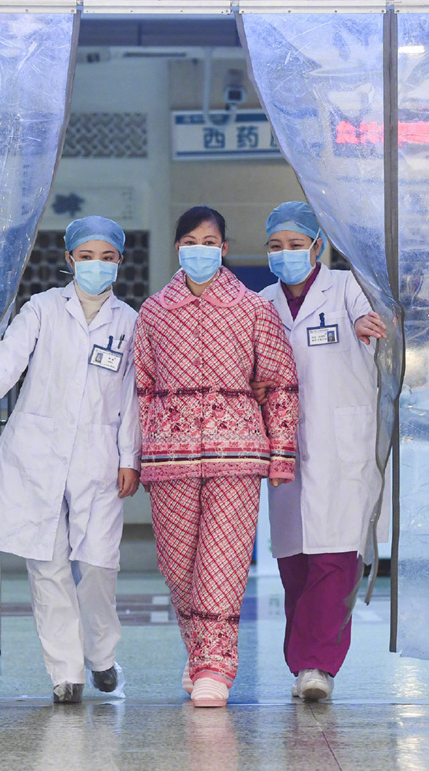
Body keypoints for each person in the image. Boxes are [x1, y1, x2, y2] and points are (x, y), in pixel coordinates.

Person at [0, 215, 141, 704]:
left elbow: (132, 397)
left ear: (119, 261)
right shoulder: (41, 308)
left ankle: (101, 656)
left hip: (100, 457)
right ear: (70, 260)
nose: (96, 265)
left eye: (107, 257)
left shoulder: (130, 322)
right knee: (47, 563)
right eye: (87, 256)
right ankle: (66, 673)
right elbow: (11, 354)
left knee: (99, 564)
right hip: (37, 453)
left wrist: (130, 457)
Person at [134, 206, 298, 708]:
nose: (199, 250)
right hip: (169, 456)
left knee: (223, 562)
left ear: (224, 249)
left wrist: (282, 453)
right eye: (190, 241)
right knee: (178, 565)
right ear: (177, 248)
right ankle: (198, 651)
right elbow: (142, 389)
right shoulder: (154, 312)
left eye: (209, 242)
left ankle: (216, 666)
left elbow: (280, 382)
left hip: (238, 451)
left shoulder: (254, 309)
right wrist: (138, 454)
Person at [253, 201, 386, 701]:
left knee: (336, 557)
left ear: (317, 246)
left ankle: (317, 665)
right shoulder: (260, 303)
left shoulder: (348, 288)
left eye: (295, 244)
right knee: (295, 562)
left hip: (341, 442)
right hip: (285, 443)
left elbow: (377, 327)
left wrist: (368, 327)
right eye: (275, 245)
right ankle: (303, 662)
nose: (285, 253)